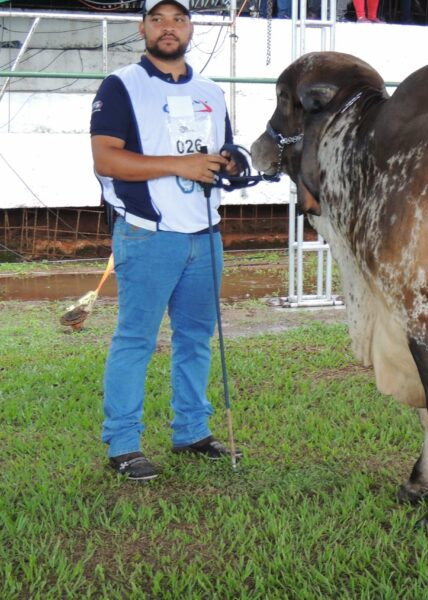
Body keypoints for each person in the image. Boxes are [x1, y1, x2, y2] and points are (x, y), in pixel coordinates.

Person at [90, 0, 244, 481]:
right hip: (147, 234)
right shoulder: (121, 85)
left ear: (191, 28)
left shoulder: (211, 92)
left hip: (206, 233)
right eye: (157, 19)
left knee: (196, 339)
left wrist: (232, 161)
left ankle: (192, 432)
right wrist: (181, 165)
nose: (168, 27)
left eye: (178, 19)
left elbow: (224, 150)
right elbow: (106, 159)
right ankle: (123, 444)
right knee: (136, 340)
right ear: (142, 28)